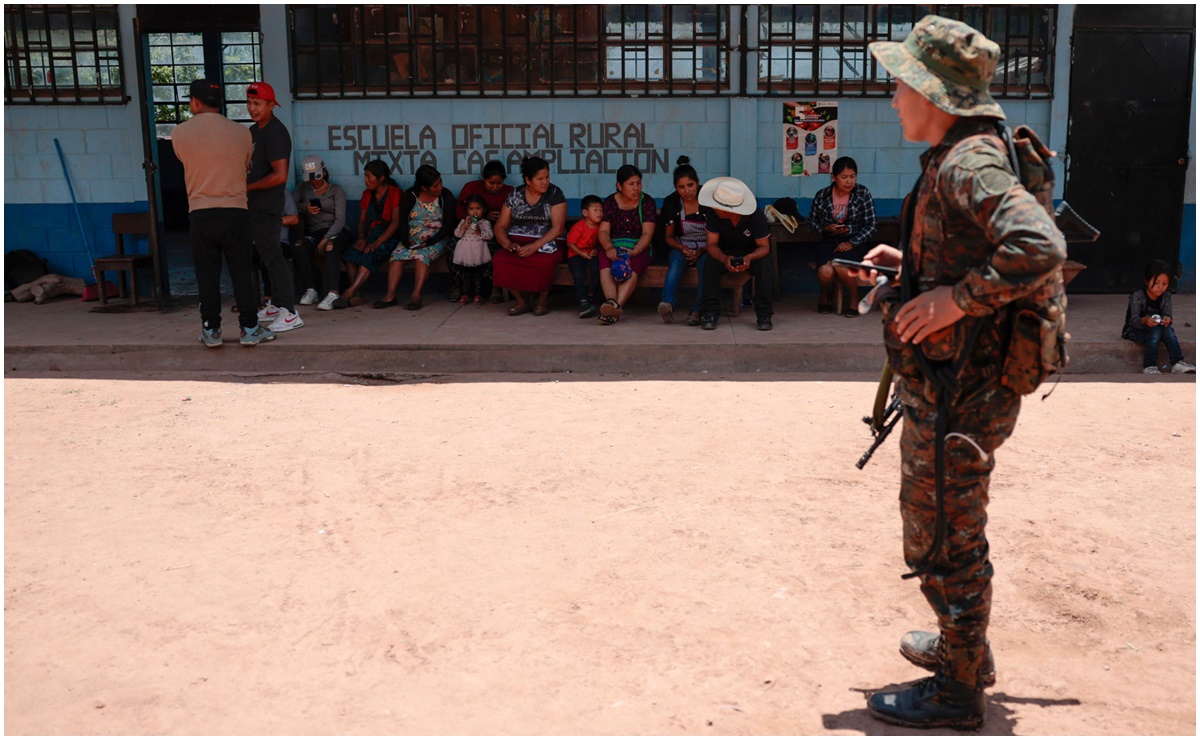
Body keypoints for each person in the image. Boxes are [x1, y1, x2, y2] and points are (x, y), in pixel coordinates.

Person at [851, 16, 1068, 730]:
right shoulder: (958, 154)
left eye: (900, 86)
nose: (893, 100)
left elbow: (1039, 244)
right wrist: (911, 269)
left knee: (944, 536)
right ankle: (962, 646)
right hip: (956, 387)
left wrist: (954, 300)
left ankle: (957, 689)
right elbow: (966, 246)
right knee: (945, 526)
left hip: (963, 395)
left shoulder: (968, 162)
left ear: (933, 94)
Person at [170, 78, 273, 346]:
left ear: (194, 102)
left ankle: (211, 330)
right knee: (241, 272)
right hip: (236, 212)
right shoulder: (242, 133)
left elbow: (185, 159)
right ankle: (250, 329)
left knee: (207, 274)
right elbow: (245, 164)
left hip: (201, 213)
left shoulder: (180, 133)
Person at [244, 81, 302, 332]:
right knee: (267, 256)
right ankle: (277, 304)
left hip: (269, 205)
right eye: (249, 103)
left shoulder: (276, 133)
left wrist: (246, 188)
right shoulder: (254, 131)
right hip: (255, 205)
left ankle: (289, 312)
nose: (252, 108)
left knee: (274, 256)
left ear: (271, 104)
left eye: (257, 103)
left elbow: (279, 176)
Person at [373, 164, 456, 311]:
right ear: (424, 187)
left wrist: (428, 242)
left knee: (421, 257)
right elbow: (403, 221)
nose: (439, 187)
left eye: (440, 182)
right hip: (412, 237)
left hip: (436, 238)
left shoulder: (445, 196)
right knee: (396, 257)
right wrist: (406, 241)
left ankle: (416, 296)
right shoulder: (410, 195)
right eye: (435, 185)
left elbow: (447, 226)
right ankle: (390, 296)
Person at [492, 156, 567, 316]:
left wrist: (534, 247)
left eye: (547, 177)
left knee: (544, 262)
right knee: (501, 259)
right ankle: (522, 301)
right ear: (528, 180)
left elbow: (557, 228)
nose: (545, 182)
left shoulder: (555, 193)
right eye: (540, 179)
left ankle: (542, 300)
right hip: (518, 241)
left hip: (549, 243)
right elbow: (500, 225)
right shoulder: (515, 195)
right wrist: (507, 244)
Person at [697, 177, 774, 331]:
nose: (714, 208)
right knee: (709, 264)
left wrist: (750, 258)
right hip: (724, 252)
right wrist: (724, 258)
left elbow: (764, 247)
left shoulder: (755, 216)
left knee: (765, 264)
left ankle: (764, 314)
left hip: (751, 253)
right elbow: (711, 245)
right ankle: (710, 313)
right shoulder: (713, 215)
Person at [808, 156, 877, 317]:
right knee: (825, 271)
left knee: (841, 265)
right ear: (833, 177)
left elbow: (871, 225)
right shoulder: (823, 195)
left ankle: (854, 298)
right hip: (829, 241)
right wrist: (826, 228)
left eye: (852, 176)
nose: (849, 181)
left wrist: (852, 242)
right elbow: (811, 222)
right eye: (844, 177)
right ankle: (825, 294)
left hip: (854, 241)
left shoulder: (862, 193)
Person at [333, 160, 402, 309]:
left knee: (368, 256)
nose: (365, 180)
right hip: (371, 234)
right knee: (350, 254)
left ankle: (348, 293)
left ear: (381, 178)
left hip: (389, 236)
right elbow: (362, 220)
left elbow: (395, 223)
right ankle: (357, 294)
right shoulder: (367, 194)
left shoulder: (394, 193)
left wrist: (377, 243)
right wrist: (361, 238)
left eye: (369, 176)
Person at [596, 164, 657, 325]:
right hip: (614, 245)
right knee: (604, 259)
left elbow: (647, 233)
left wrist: (635, 251)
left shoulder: (647, 202)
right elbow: (603, 231)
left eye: (639, 183)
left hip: (638, 247)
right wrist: (609, 247)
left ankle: (615, 306)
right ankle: (610, 301)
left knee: (632, 264)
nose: (636, 188)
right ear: (619, 186)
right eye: (631, 184)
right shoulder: (610, 202)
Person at [658, 156, 711, 326]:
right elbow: (668, 236)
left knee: (706, 266)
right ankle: (667, 303)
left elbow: (717, 234)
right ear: (676, 188)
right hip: (682, 247)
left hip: (708, 247)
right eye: (681, 187)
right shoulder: (672, 203)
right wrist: (682, 248)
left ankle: (697, 310)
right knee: (675, 261)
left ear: (698, 183)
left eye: (690, 185)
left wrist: (703, 250)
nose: (686, 191)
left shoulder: (709, 201)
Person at [293, 155, 350, 311]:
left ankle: (333, 293)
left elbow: (340, 221)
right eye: (310, 178)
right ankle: (311, 289)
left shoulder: (336, 190)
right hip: (315, 231)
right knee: (299, 247)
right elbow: (291, 206)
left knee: (330, 247)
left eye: (316, 177)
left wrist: (326, 239)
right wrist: (306, 208)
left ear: (323, 172)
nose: (313, 181)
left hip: (337, 231)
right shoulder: (302, 189)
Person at [1122, 259, 1195, 374]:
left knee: (1168, 330)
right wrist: (1145, 320)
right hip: (1134, 330)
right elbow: (1133, 321)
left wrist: (1167, 319)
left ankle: (1177, 363)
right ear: (1146, 280)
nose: (1160, 287)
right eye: (1156, 283)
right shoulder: (1137, 296)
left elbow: (1167, 314)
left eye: (1164, 284)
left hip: (1157, 328)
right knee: (1155, 331)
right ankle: (1149, 366)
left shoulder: (1166, 296)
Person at [456, 159, 514, 303]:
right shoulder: (471, 188)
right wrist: (481, 215)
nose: (495, 187)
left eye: (499, 183)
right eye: (491, 183)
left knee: (496, 249)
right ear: (483, 179)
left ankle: (495, 286)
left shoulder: (510, 192)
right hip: (470, 233)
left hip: (495, 233)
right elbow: (459, 212)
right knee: (454, 247)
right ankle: (457, 285)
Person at [565, 195, 603, 319]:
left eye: (601, 210)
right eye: (595, 210)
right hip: (576, 253)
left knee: (596, 271)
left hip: (590, 254)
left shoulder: (601, 226)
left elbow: (601, 242)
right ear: (585, 212)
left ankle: (590, 295)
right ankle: (583, 300)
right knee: (578, 274)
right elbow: (570, 243)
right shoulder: (579, 226)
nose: (599, 213)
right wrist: (582, 254)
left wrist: (596, 250)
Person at [452, 194, 493, 306]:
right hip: (465, 251)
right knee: (466, 274)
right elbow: (457, 234)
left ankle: (478, 294)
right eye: (471, 209)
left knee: (478, 273)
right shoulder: (463, 221)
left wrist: (480, 231)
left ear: (484, 209)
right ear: (467, 210)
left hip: (478, 251)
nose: (475, 213)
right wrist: (465, 225)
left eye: (478, 209)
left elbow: (489, 236)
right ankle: (465, 294)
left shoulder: (485, 222)